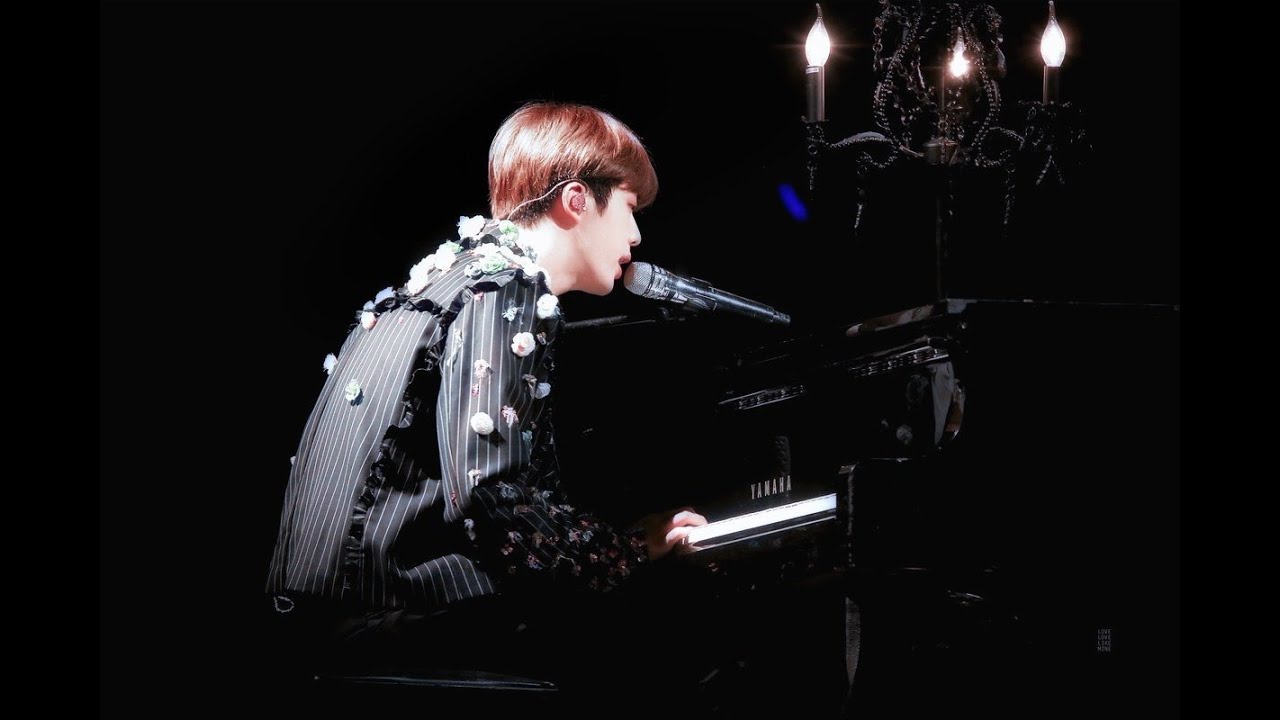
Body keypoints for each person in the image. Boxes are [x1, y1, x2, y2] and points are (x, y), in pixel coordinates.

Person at [264, 101, 713, 710]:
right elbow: (489, 495)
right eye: (630, 208)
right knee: (672, 640)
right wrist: (626, 552)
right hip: (397, 621)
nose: (636, 236)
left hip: (321, 620)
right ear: (577, 200)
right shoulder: (507, 289)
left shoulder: (442, 282)